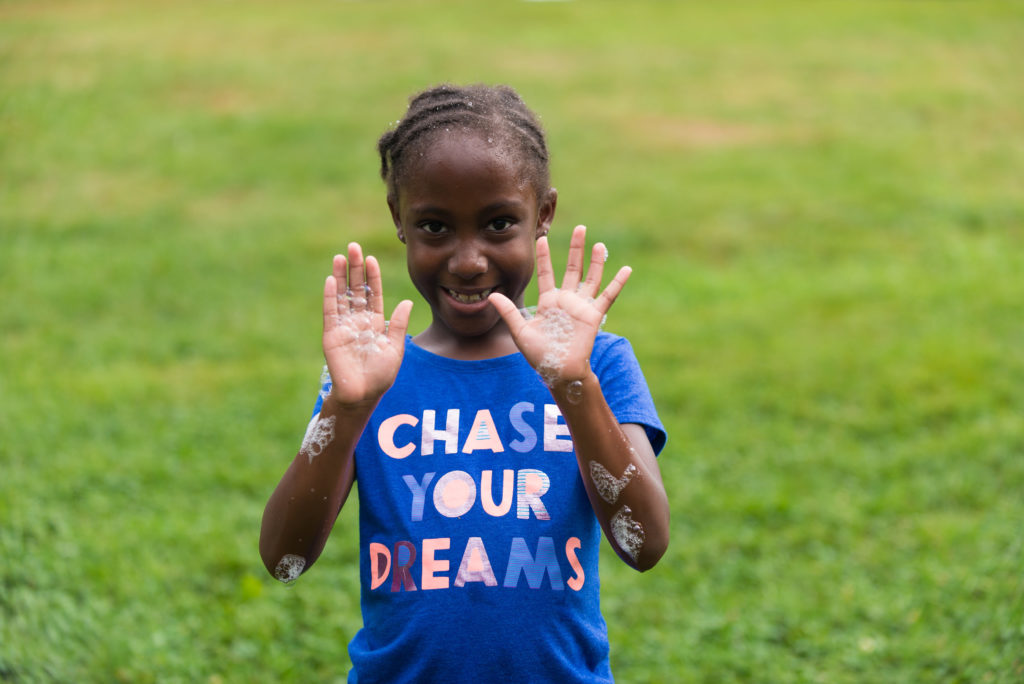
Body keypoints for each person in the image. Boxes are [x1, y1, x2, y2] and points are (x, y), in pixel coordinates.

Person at [259, 83, 669, 683]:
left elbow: (645, 545)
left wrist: (573, 386)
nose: (469, 259)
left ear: (544, 215)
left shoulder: (598, 363)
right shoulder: (372, 378)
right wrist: (346, 410)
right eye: (435, 227)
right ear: (399, 220)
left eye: (500, 223)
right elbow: (285, 561)